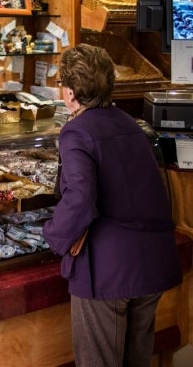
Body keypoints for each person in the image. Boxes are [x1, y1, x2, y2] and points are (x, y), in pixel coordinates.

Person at [42, 43, 181, 367]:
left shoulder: (76, 131)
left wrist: (52, 236)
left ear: (72, 93)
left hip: (107, 271)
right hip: (153, 262)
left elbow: (80, 199)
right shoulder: (128, 123)